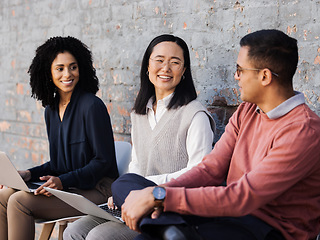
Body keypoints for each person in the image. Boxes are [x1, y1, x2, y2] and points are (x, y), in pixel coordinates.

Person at [118, 29, 320, 240]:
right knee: (124, 184)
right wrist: (154, 195)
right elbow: (210, 169)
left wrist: (160, 197)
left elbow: (243, 197)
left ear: (264, 76)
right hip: (230, 215)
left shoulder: (303, 131)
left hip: (268, 229)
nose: (236, 76)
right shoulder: (247, 111)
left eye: (240, 69)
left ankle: (168, 229)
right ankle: (170, 231)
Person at [63, 34, 215, 240]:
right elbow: (136, 164)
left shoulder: (195, 115)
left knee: (99, 236)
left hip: (166, 206)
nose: (166, 68)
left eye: (175, 62)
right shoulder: (139, 113)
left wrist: (142, 185)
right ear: (147, 66)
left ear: (184, 71)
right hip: (134, 197)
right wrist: (127, 189)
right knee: (73, 230)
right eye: (159, 60)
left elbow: (199, 175)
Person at [0, 36, 119, 240]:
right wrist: (29, 174)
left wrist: (63, 181)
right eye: (60, 68)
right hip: (71, 187)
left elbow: (103, 161)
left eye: (73, 67)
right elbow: (58, 164)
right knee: (3, 196)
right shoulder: (51, 111)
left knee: (19, 201)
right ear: (49, 73)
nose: (68, 74)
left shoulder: (92, 106)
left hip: (99, 190)